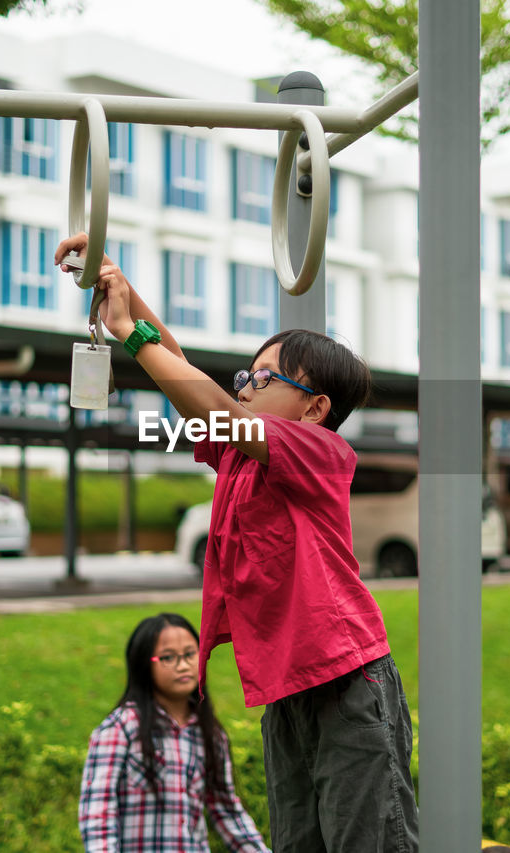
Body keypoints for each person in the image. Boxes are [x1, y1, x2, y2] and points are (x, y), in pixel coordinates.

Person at [57, 235, 419, 853]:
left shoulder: (321, 450)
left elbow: (218, 405)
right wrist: (118, 286)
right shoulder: (238, 456)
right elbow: (190, 378)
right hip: (288, 688)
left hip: (347, 680)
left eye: (264, 376)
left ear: (315, 408)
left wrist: (131, 336)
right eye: (244, 375)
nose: (245, 384)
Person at [78, 612, 269, 853]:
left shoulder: (209, 733)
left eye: (190, 654)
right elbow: (98, 813)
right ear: (143, 664)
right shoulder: (120, 729)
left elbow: (227, 810)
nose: (183, 665)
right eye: (168, 658)